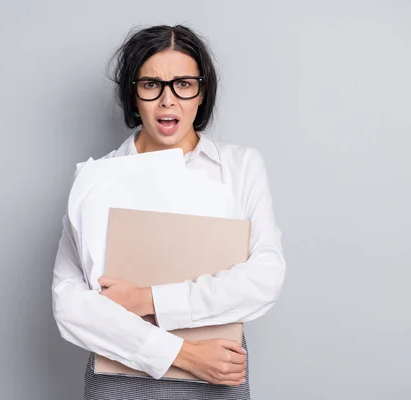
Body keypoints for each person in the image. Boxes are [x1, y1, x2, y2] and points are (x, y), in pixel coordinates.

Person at [51, 24, 286, 400]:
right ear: (134, 94)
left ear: (201, 91)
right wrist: (184, 354)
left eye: (184, 84)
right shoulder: (96, 177)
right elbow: (70, 305)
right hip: (122, 377)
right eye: (151, 85)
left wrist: (148, 300)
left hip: (217, 374)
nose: (168, 100)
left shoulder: (240, 167)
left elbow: (264, 278)